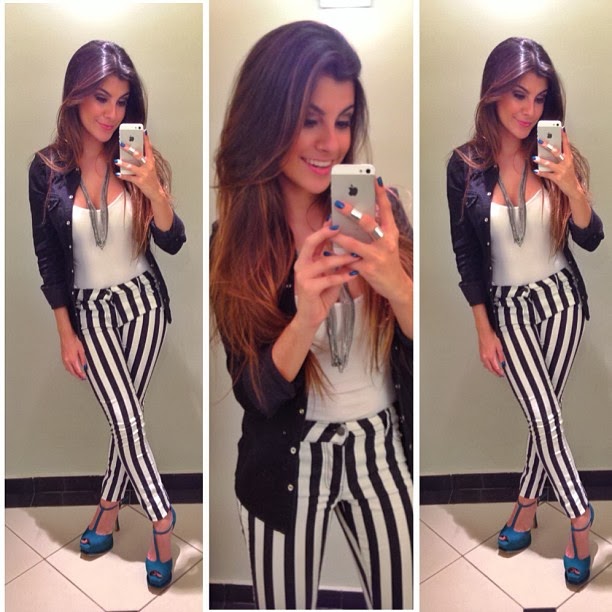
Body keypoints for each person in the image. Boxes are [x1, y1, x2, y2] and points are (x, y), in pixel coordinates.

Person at [211, 20, 413, 610]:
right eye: (309, 119)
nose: (331, 143)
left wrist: (400, 290)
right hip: (286, 460)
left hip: (383, 448)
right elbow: (253, 392)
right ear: (267, 117)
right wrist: (303, 318)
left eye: (343, 120)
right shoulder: (239, 242)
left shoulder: (381, 215)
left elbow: (419, 351)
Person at [28, 40, 186, 588]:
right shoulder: (46, 170)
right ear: (75, 96)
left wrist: (154, 191)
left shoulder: (138, 159)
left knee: (126, 419)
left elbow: (173, 241)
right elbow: (47, 257)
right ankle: (162, 518)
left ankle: (108, 509)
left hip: (145, 305)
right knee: (126, 417)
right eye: (100, 97)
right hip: (91, 311)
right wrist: (64, 330)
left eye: (121, 101)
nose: (111, 113)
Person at [447, 37, 603, 585]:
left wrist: (572, 188)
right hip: (509, 307)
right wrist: (482, 327)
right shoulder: (464, 167)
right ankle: (580, 515)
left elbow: (590, 238)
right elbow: (465, 253)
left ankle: (526, 506)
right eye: (518, 94)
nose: (528, 110)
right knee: (544, 413)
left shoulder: (556, 156)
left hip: (563, 303)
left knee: (545, 416)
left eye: (539, 98)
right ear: (493, 93)